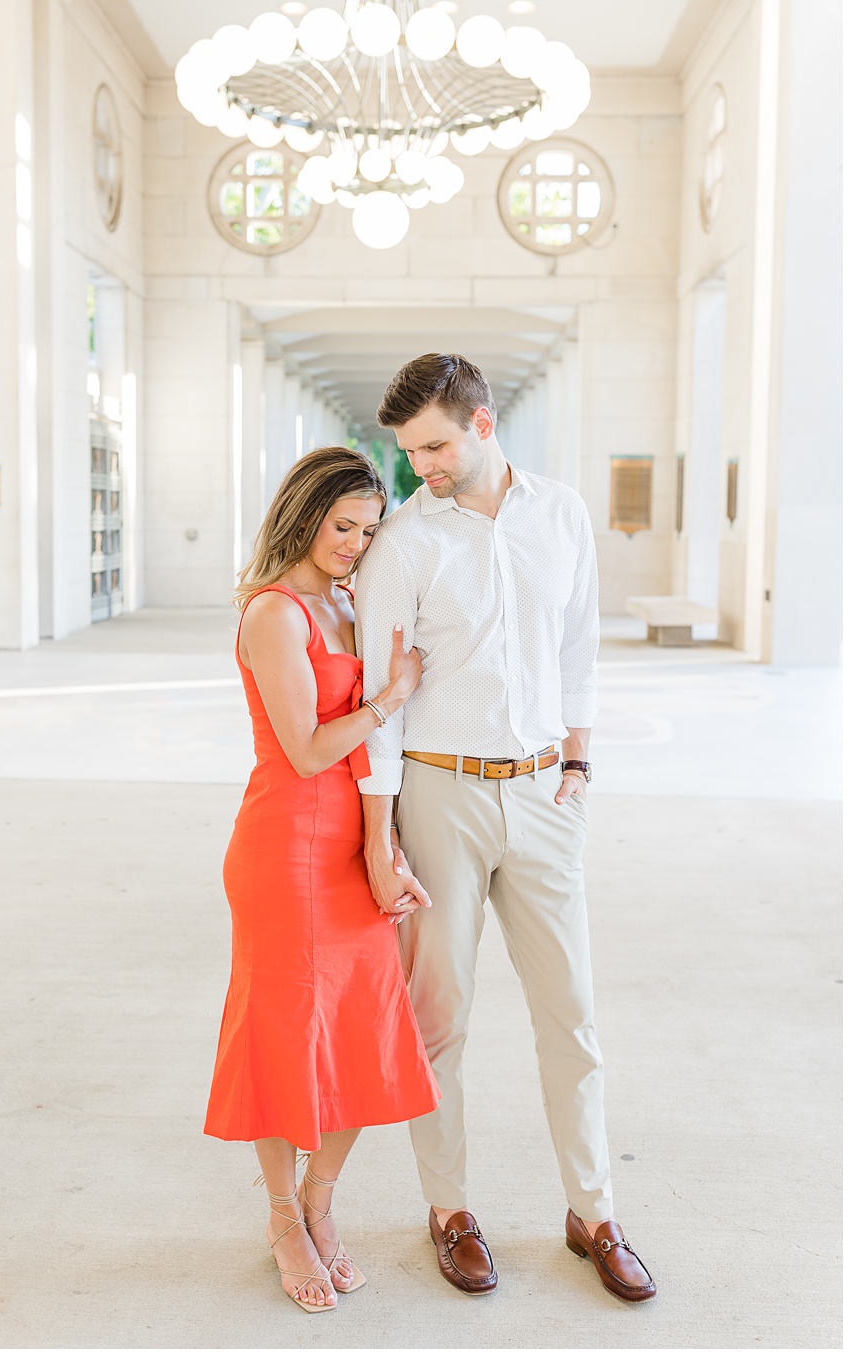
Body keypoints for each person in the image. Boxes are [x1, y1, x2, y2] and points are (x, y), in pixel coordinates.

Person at [354, 354, 656, 1304]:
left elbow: (578, 646)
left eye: (435, 445)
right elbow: (382, 703)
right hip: (437, 797)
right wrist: (379, 835)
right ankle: (448, 1209)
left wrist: (577, 757)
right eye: (408, 452)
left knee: (571, 1014)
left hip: (543, 796)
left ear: (482, 423)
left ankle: (594, 1211)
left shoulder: (561, 513)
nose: (421, 467)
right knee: (437, 1019)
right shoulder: (401, 541)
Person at [204, 446, 439, 1314]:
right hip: (285, 846)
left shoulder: (347, 601)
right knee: (282, 1032)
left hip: (351, 845)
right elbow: (305, 748)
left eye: (367, 530)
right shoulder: (275, 613)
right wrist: (385, 700)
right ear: (303, 515)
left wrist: (386, 840)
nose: (354, 543)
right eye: (342, 525)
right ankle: (279, 1214)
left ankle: (318, 1200)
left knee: (362, 1026)